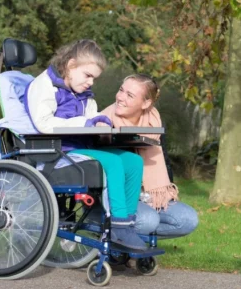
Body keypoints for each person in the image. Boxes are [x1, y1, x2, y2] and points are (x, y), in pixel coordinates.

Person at [24, 40, 147, 250]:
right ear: (71, 65)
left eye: (94, 78)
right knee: (114, 163)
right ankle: (118, 227)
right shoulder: (44, 85)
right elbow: (43, 123)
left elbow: (91, 117)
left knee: (134, 161)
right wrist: (85, 122)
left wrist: (101, 122)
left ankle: (128, 223)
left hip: (82, 148)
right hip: (57, 154)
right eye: (88, 75)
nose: (91, 82)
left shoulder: (83, 93)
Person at [101, 74, 199, 238]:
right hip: (118, 197)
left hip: (149, 195)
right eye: (121, 90)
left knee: (188, 219)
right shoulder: (103, 122)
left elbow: (164, 161)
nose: (120, 97)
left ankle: (130, 239)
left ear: (146, 103)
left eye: (130, 95)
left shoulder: (154, 122)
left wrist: (160, 195)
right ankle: (121, 243)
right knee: (148, 220)